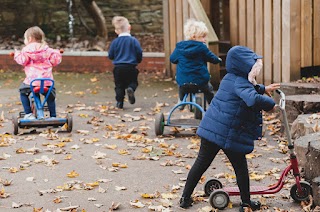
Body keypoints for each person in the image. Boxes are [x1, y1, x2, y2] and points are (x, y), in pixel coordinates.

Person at [179, 45, 280, 211]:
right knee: (240, 167)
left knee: (201, 163)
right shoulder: (241, 82)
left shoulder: (230, 77)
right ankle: (246, 202)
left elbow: (247, 88)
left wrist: (263, 88)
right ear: (247, 67)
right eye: (255, 68)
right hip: (227, 133)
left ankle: (185, 197)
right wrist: (270, 104)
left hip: (211, 129)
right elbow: (252, 99)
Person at [170, 19, 222, 107]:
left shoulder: (180, 47)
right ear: (194, 37)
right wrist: (217, 60)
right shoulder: (202, 48)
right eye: (203, 37)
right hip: (200, 82)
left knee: (181, 86)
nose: (205, 39)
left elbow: (172, 59)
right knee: (208, 90)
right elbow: (211, 58)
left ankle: (181, 101)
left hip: (184, 82)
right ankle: (213, 105)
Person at [14, 26, 62, 120]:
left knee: (23, 92)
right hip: (47, 81)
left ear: (30, 38)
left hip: (31, 82)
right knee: (50, 97)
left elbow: (22, 61)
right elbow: (55, 61)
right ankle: (53, 116)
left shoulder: (26, 50)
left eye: (25, 38)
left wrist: (17, 54)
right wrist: (57, 53)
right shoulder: (47, 50)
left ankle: (28, 114)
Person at [108, 16, 143, 109]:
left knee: (119, 86)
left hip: (118, 68)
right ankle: (131, 89)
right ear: (129, 27)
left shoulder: (115, 42)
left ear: (116, 31)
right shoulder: (134, 41)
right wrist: (138, 60)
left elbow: (110, 55)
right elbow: (139, 52)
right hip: (131, 67)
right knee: (133, 82)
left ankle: (119, 102)